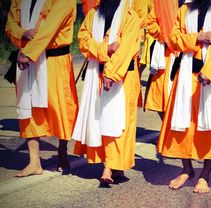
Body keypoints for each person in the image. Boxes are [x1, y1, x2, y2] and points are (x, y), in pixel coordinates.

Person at [157, 0, 211, 193]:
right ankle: (187, 169)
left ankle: (205, 175)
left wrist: (209, 72)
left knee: (209, 126)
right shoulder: (185, 9)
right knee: (182, 125)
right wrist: (198, 37)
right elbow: (174, 38)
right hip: (186, 75)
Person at [5, 0, 79, 177]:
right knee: (29, 109)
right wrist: (23, 33)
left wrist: (29, 52)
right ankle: (34, 162)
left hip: (54, 60)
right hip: (27, 59)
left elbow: (49, 28)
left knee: (60, 109)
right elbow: (10, 24)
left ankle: (62, 151)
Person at [72, 0, 142, 184]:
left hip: (122, 76)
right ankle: (111, 165)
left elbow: (126, 49)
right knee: (101, 119)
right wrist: (105, 49)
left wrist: (111, 74)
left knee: (118, 122)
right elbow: (83, 41)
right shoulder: (93, 14)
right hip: (97, 73)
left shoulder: (131, 17)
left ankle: (111, 166)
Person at [143, 0, 184, 120]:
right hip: (167, 54)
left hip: (188, 53)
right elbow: (151, 22)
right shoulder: (163, 2)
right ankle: (166, 128)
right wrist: (164, 36)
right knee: (161, 93)